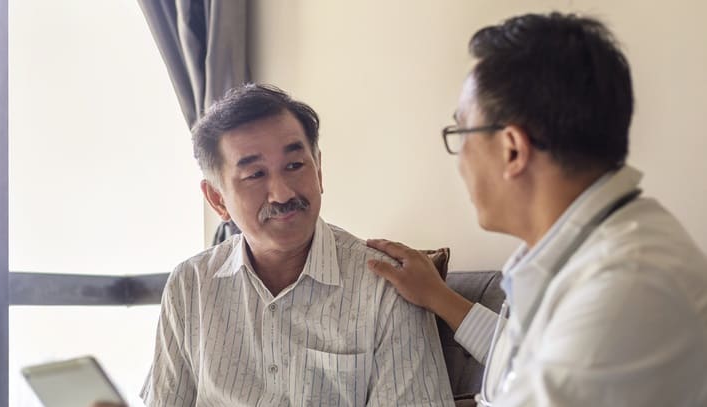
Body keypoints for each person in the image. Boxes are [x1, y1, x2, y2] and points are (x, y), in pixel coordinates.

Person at [367, 12, 707, 406]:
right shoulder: (594, 251)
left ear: (512, 149)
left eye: (462, 133)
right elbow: (523, 360)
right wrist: (439, 298)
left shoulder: (625, 287)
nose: (460, 162)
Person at [139, 84, 454, 406]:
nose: (283, 194)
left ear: (318, 170)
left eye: (294, 166)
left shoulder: (387, 285)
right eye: (255, 174)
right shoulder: (190, 285)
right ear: (217, 199)